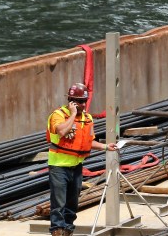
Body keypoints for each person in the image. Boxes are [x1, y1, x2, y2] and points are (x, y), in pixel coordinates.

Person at [47, 83, 116, 236]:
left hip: (77, 167)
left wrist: (106, 147)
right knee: (58, 205)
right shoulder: (58, 115)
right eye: (79, 102)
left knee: (72, 205)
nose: (83, 105)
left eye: (85, 101)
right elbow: (62, 131)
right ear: (71, 101)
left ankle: (68, 231)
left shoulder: (88, 118)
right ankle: (57, 232)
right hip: (59, 167)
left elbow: (89, 141)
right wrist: (72, 114)